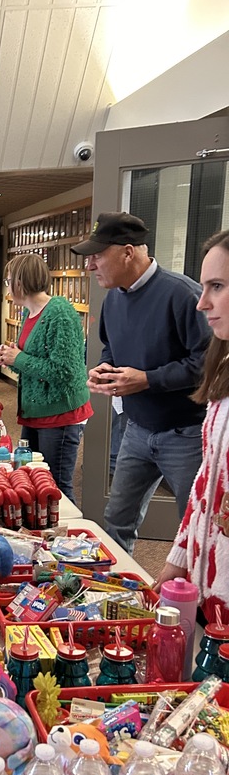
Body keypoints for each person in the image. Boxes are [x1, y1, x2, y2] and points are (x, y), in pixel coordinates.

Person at [73, 212, 210, 554]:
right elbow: (111, 348)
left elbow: (208, 365)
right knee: (117, 519)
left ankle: (198, 604)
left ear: (128, 252)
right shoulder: (114, 298)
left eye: (96, 256)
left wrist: (148, 380)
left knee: (195, 528)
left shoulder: (183, 295)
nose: (90, 266)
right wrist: (106, 367)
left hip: (186, 434)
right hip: (136, 429)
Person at [155, 230, 229, 624]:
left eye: (216, 286)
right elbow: (206, 484)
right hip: (207, 594)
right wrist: (179, 558)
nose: (202, 303)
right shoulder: (222, 372)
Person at [0, 253, 92, 503]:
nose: (8, 288)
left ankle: (70, 541)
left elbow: (65, 371)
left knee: (55, 488)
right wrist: (10, 359)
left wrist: (19, 359)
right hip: (35, 413)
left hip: (59, 414)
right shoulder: (29, 313)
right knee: (31, 480)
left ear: (20, 282)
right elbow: (33, 366)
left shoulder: (59, 312)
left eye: (9, 281)